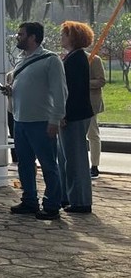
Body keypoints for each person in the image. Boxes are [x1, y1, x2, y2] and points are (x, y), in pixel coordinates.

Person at [0, 21, 67, 220]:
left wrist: (55, 119)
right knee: (25, 164)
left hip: (41, 121)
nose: (17, 37)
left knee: (48, 165)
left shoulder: (50, 60)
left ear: (33, 37)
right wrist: (10, 91)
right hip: (20, 120)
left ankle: (52, 204)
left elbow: (60, 92)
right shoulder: (21, 60)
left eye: (21, 34)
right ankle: (29, 200)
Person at [58, 21, 95, 213]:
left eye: (64, 34)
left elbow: (72, 91)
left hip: (74, 115)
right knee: (65, 158)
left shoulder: (76, 59)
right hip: (74, 114)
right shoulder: (73, 57)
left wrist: (64, 114)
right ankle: (67, 196)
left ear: (73, 37)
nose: (61, 37)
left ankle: (80, 200)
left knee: (75, 160)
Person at [87, 52, 106, 178]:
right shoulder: (65, 58)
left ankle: (94, 166)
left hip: (90, 104)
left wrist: (84, 83)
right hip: (72, 104)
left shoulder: (94, 59)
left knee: (93, 135)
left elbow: (101, 81)